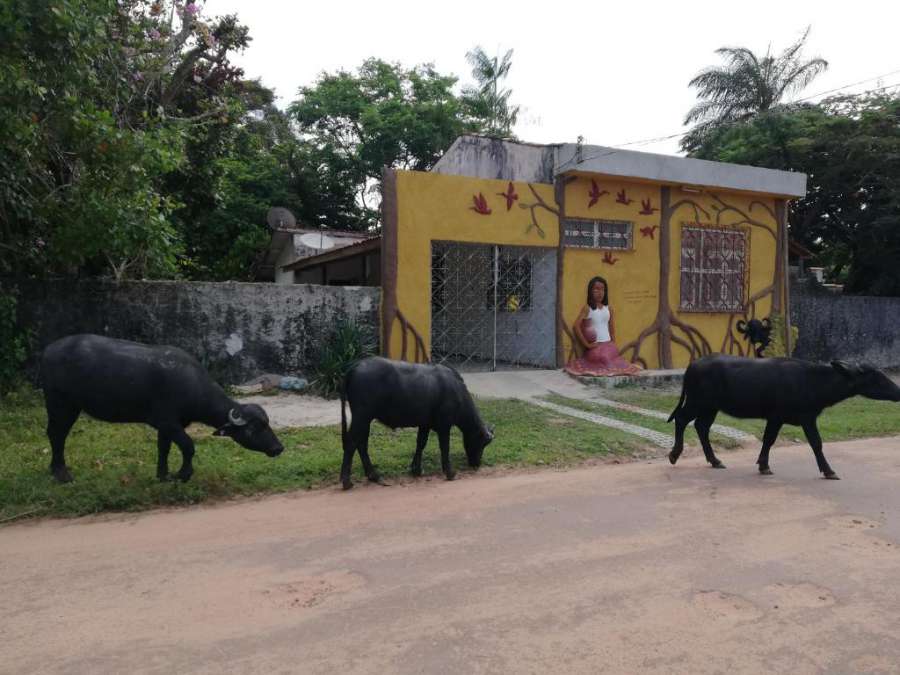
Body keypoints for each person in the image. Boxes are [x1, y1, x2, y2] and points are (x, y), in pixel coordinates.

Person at [564, 276, 642, 377]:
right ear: (590, 291)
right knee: (602, 357)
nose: (600, 292)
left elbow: (611, 328)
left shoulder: (608, 308)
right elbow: (576, 326)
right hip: (595, 347)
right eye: (596, 289)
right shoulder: (587, 308)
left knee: (606, 356)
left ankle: (612, 368)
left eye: (602, 289)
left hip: (608, 345)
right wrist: (587, 345)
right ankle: (610, 369)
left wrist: (613, 343)